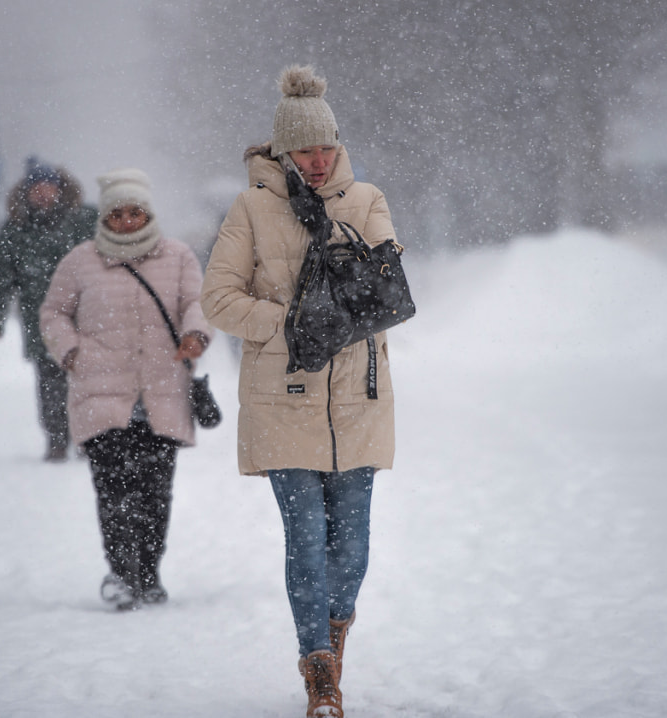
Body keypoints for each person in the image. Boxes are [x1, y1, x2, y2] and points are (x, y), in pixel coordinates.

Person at [200, 65, 400, 718]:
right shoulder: (252, 208)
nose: (317, 162)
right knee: (308, 538)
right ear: (283, 150)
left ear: (338, 146)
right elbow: (218, 299)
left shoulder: (367, 200)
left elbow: (388, 294)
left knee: (355, 545)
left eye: (326, 148)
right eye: (304, 150)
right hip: (282, 396)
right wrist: (284, 320)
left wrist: (351, 274)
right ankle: (319, 673)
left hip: (357, 399)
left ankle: (334, 641)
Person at [39, 168, 212, 611]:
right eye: (119, 213)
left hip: (162, 391)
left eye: (136, 212)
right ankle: (121, 574)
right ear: (105, 217)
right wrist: (71, 351)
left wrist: (195, 333)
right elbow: (54, 313)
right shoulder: (80, 260)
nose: (128, 221)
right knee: (113, 490)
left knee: (156, 491)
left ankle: (149, 573)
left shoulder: (177, 256)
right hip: (101, 393)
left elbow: (197, 302)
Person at [0, 158, 98, 461]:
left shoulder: (85, 219)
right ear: (27, 191)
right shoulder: (15, 228)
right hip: (40, 317)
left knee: (87, 379)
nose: (43, 193)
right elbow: (1, 276)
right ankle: (57, 441)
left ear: (59, 189)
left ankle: (88, 438)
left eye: (48, 187)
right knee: (50, 382)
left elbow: (115, 254)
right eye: (36, 188)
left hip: (85, 314)